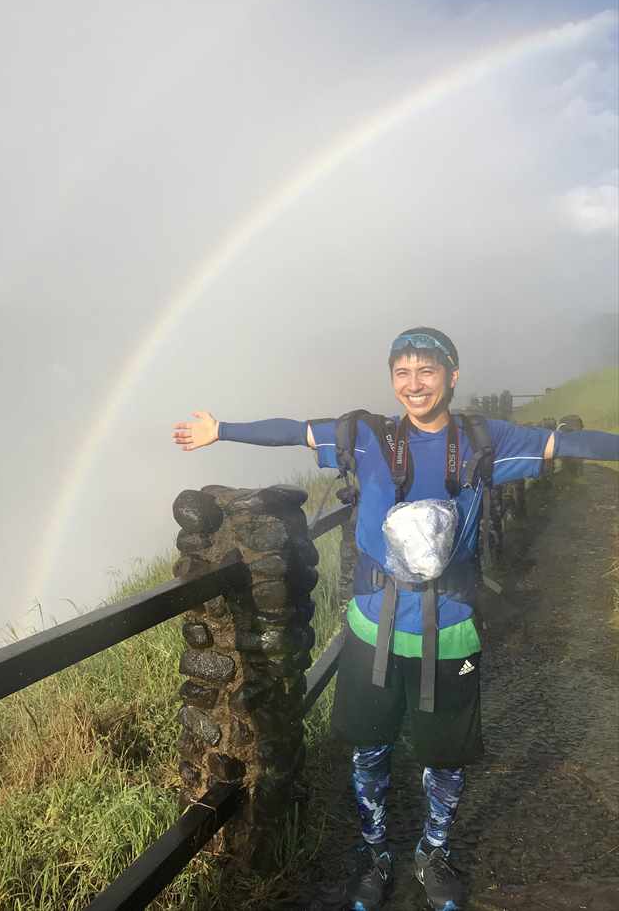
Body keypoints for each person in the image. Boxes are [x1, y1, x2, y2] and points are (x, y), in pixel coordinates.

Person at [172, 327, 619, 911]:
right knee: (369, 747)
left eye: (427, 371)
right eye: (402, 372)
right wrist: (221, 430)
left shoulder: (485, 440)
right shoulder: (366, 436)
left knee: (444, 755)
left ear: (452, 376)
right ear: (392, 380)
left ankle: (434, 853)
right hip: (371, 627)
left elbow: (567, 446)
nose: (415, 384)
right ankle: (374, 853)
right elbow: (295, 431)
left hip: (452, 626)